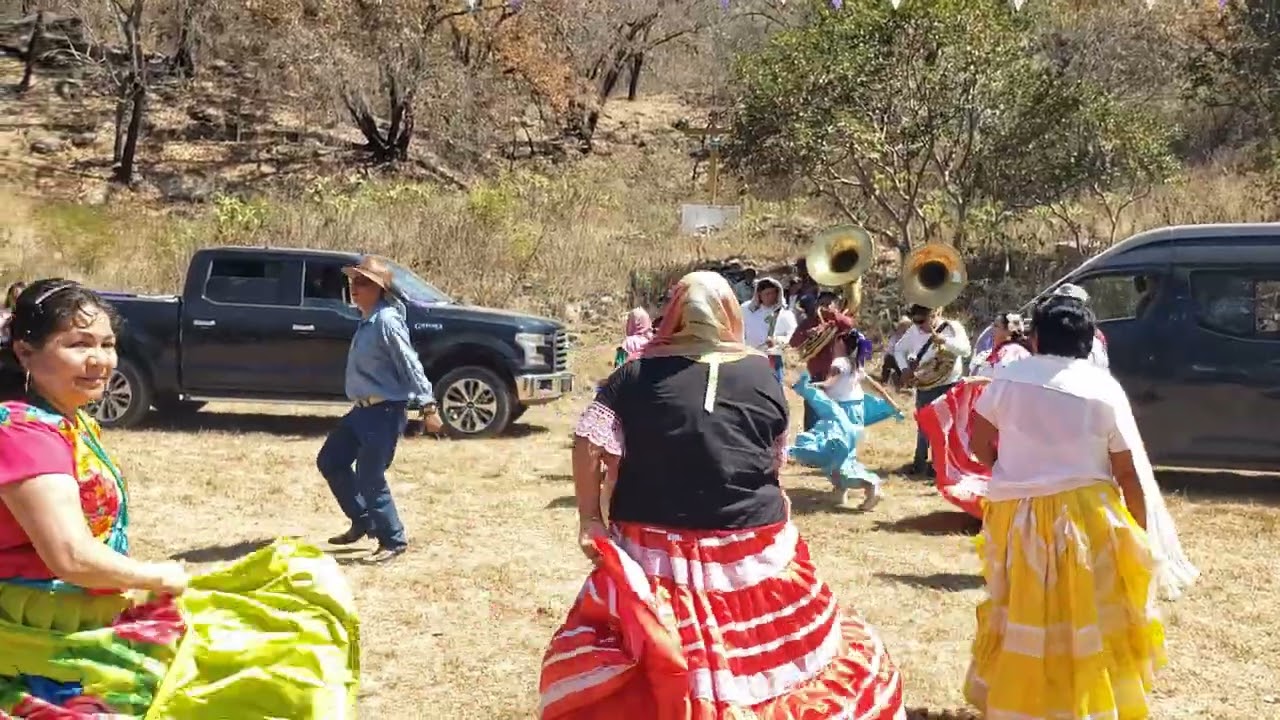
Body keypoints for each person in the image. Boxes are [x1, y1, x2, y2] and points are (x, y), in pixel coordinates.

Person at [539, 271, 905, 720]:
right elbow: (772, 457)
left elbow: (587, 442)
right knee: (764, 657)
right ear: (731, 315)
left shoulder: (634, 374)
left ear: (673, 315)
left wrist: (590, 519)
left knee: (659, 652)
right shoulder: (761, 373)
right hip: (750, 545)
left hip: (656, 545)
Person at [0, 279, 360, 718]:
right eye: (77, 344)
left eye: (108, 344)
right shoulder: (23, 434)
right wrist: (155, 576)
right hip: (45, 632)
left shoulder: (64, 423)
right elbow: (71, 557)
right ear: (24, 352)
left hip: (88, 607)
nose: (99, 361)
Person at [963, 295, 1198, 719]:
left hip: (1018, 518)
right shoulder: (1102, 387)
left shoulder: (1010, 377)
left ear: (1034, 337)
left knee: (1023, 609)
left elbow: (978, 443)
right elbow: (1128, 473)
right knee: (1090, 615)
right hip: (1087, 520)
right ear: (1090, 343)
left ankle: (1024, 704)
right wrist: (1141, 536)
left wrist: (1014, 472)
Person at [317, 255, 440, 564]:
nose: (354, 288)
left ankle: (393, 540)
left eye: (362, 283)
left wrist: (428, 405)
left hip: (384, 413)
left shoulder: (386, 321)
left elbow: (409, 362)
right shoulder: (368, 319)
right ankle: (364, 520)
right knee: (331, 460)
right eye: (352, 282)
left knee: (370, 476)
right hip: (362, 411)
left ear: (380, 289)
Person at [793, 328, 901, 510]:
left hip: (841, 414)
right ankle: (840, 491)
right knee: (841, 455)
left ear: (842, 344)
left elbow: (829, 384)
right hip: (855, 413)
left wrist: (808, 386)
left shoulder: (840, 363)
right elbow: (875, 386)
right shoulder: (856, 364)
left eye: (835, 342)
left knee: (835, 456)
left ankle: (870, 486)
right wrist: (892, 404)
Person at [894, 303, 970, 476]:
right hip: (925, 385)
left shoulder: (952, 328)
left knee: (946, 427)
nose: (920, 326)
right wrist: (904, 368)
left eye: (923, 321)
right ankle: (919, 464)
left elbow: (965, 351)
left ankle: (941, 466)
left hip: (949, 384)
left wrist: (945, 341)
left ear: (935, 313)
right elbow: (899, 349)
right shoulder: (914, 330)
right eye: (916, 321)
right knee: (924, 427)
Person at [789, 291, 856, 430]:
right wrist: (809, 334)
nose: (824, 307)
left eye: (828, 304)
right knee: (813, 416)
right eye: (821, 303)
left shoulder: (840, 321)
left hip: (839, 377)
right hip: (816, 376)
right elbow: (793, 342)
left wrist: (833, 316)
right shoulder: (809, 322)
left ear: (836, 306)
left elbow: (850, 325)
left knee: (837, 417)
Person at [740, 276, 797, 382]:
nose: (770, 297)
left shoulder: (785, 314)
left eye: (773, 293)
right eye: (767, 294)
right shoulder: (746, 310)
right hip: (751, 356)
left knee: (773, 386)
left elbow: (792, 335)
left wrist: (777, 341)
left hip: (773, 358)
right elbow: (739, 329)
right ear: (759, 295)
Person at [969, 311, 1030, 377]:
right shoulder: (990, 353)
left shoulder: (1013, 353)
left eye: (996, 326)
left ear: (1008, 331)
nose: (992, 329)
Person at [879, 315, 912, 388]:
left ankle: (901, 385)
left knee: (901, 371)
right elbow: (890, 346)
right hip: (892, 356)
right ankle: (884, 381)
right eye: (902, 326)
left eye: (906, 326)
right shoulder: (894, 335)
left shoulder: (909, 337)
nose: (904, 328)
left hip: (901, 359)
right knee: (887, 365)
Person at [0, 281, 26, 345]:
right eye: (14, 296)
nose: (16, 299)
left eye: (19, 296)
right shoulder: (4, 314)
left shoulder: (30, 314)